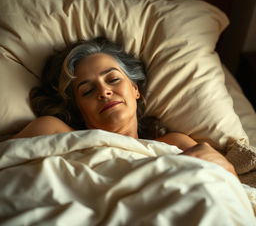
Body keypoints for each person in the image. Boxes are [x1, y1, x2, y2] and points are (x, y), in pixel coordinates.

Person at [13, 37, 237, 176]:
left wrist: (220, 163)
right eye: (88, 90)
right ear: (78, 108)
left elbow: (228, 188)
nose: (104, 91)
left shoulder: (174, 143)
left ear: (135, 89)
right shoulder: (53, 131)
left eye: (113, 79)